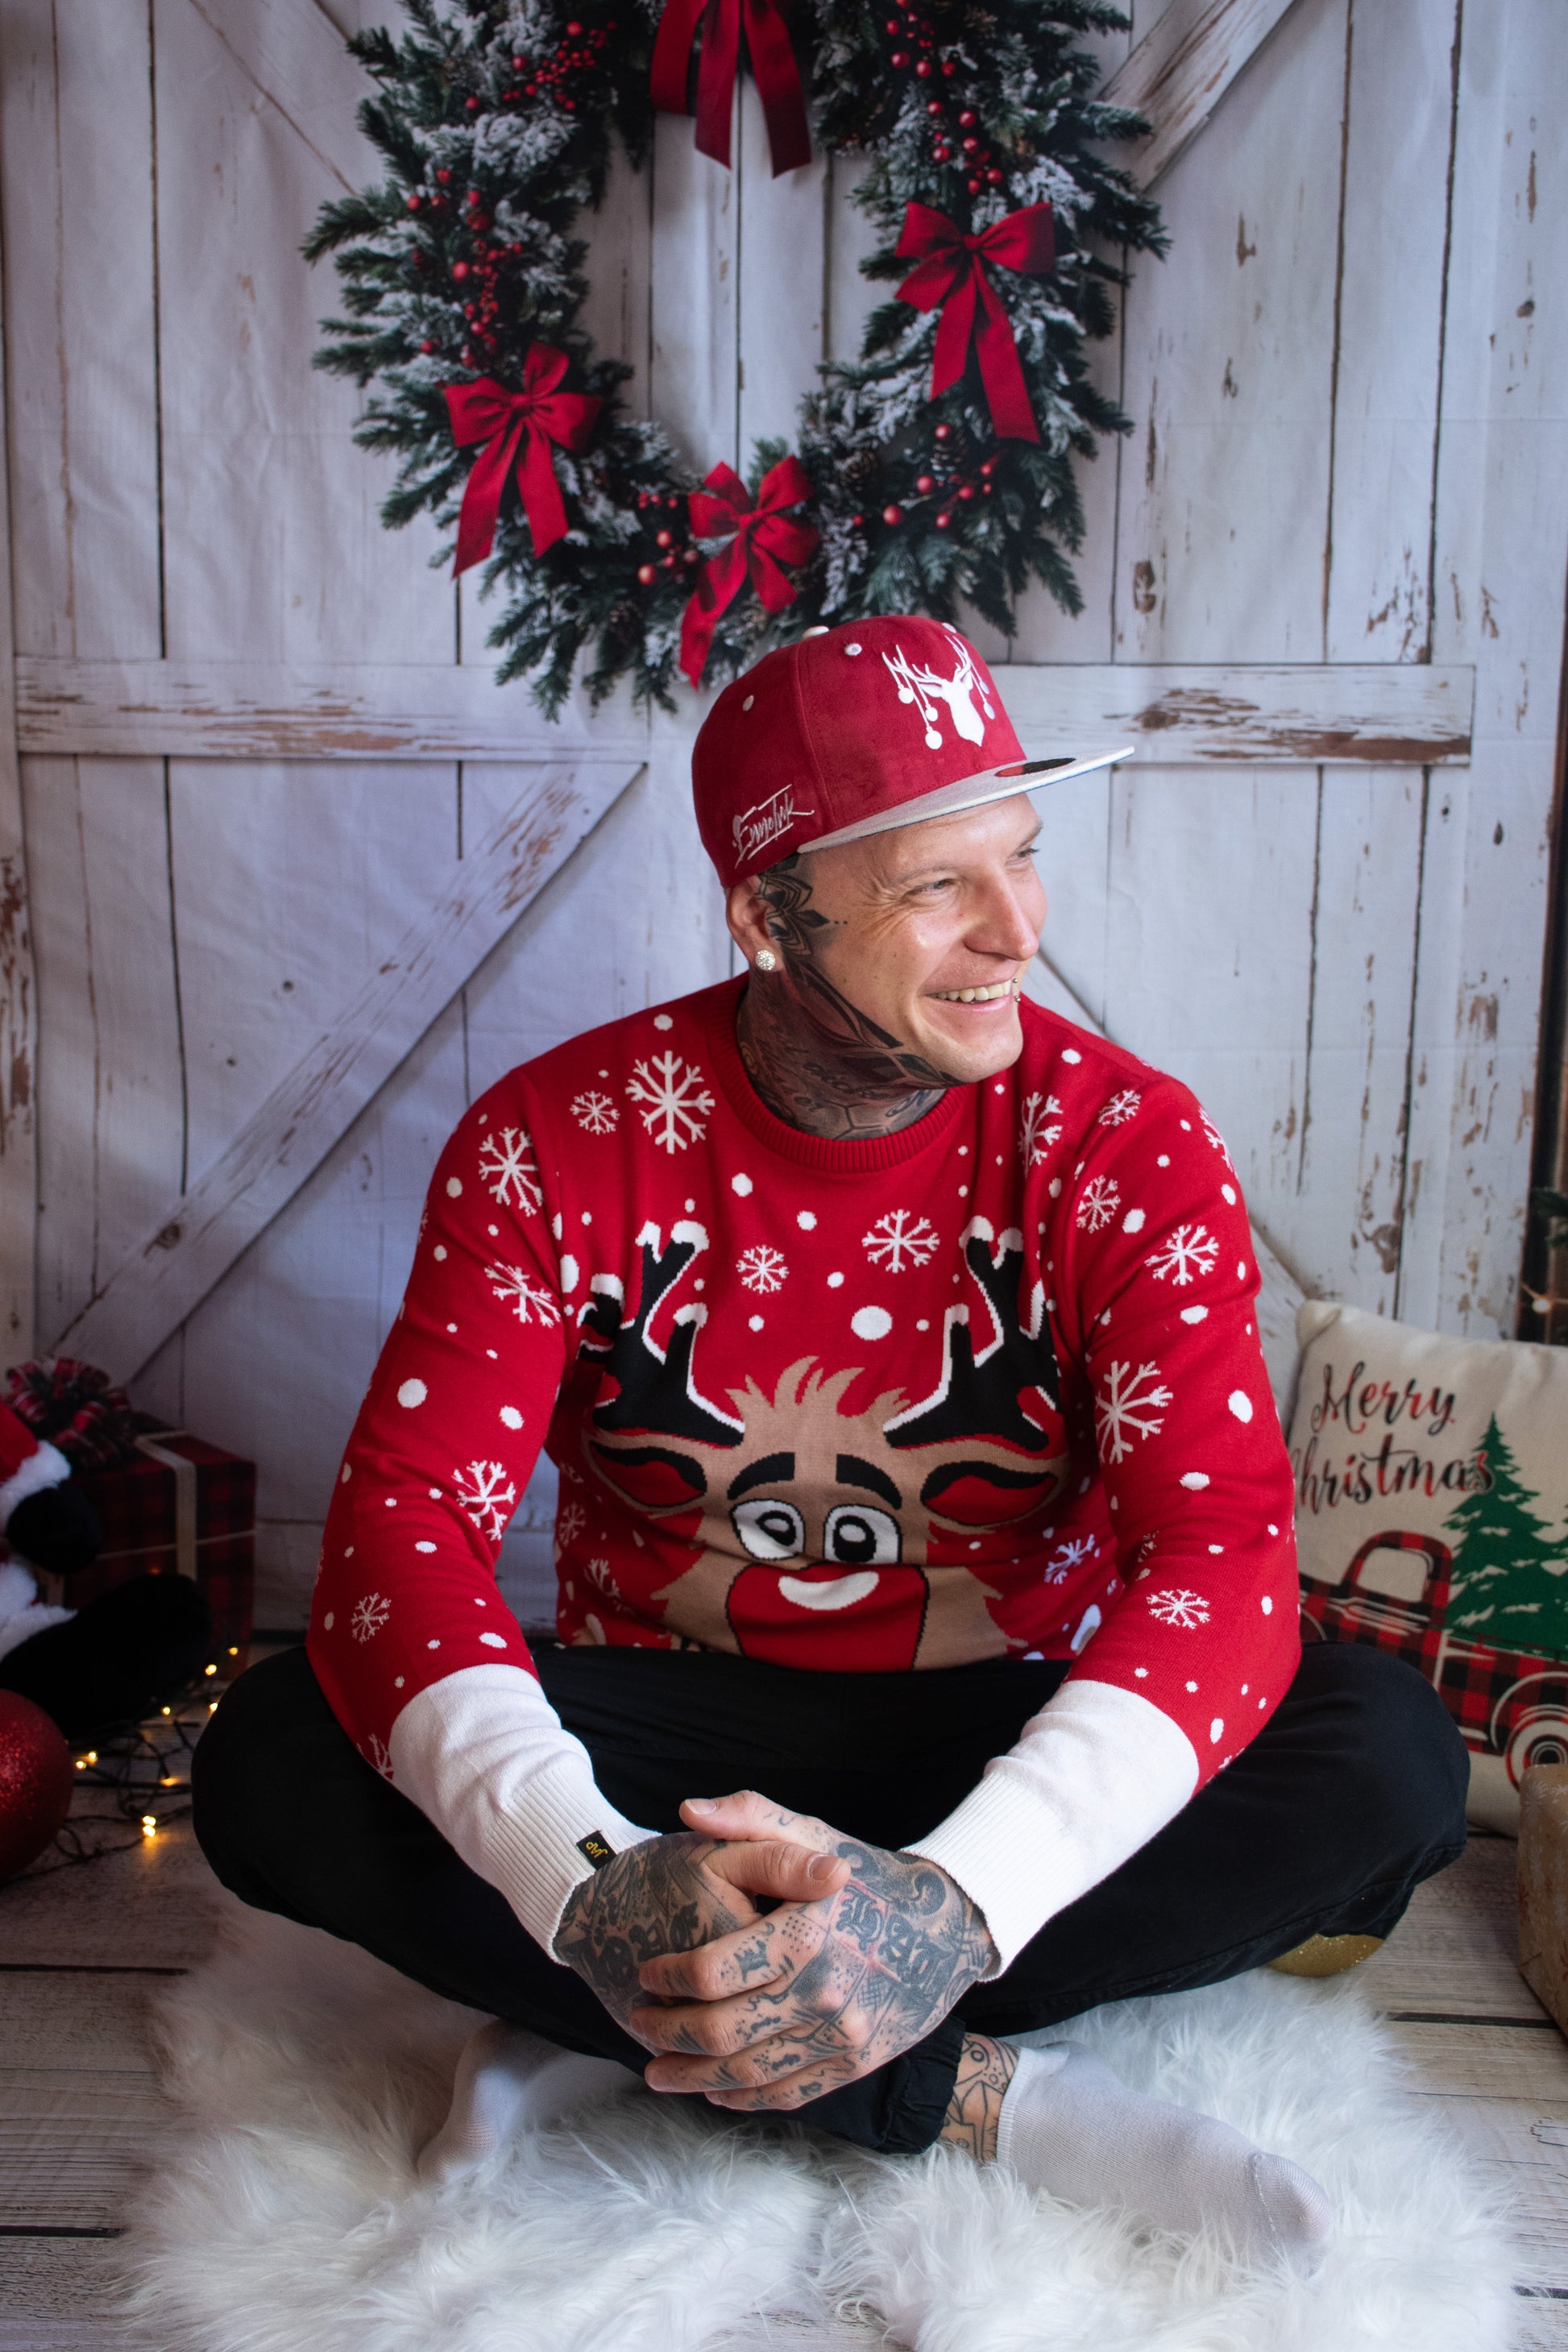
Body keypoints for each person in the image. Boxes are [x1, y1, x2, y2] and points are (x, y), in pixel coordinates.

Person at [193, 616, 1467, 2259]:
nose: (1019, 930)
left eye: (1020, 856)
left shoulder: (1125, 1146)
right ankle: (958, 2086)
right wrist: (585, 1872)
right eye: (940, 884)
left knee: (1382, 1754)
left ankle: (665, 2026)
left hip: (998, 1725)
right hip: (671, 1749)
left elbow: (1215, 1545)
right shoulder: (551, 1141)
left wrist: (949, 1904)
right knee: (277, 1749)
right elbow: (405, 1526)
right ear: (766, 910)